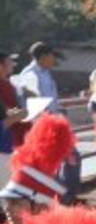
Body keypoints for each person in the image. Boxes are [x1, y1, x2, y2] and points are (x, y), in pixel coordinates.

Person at [15, 42, 80, 203]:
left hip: (53, 124)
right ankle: (61, 196)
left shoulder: (45, 73)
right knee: (57, 161)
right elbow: (33, 106)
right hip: (42, 128)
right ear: (43, 57)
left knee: (66, 159)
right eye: (52, 56)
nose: (54, 60)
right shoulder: (29, 75)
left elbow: (51, 101)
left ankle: (63, 195)